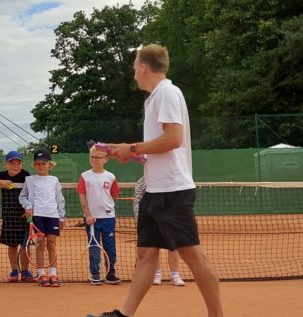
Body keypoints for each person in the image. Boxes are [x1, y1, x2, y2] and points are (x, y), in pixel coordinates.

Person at [90, 44, 222, 317]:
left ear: (143, 67)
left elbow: (174, 139)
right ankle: (125, 314)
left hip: (172, 190)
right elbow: (160, 147)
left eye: (134, 67)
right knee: (146, 255)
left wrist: (134, 148)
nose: (133, 73)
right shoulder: (154, 98)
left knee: (192, 256)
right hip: (154, 189)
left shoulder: (167, 93)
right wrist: (128, 152)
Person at [0, 150, 34, 283]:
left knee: (25, 245)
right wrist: (1, 182)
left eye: (18, 163)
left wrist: (29, 209)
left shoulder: (26, 175)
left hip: (24, 217)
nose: (15, 166)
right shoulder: (2, 175)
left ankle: (25, 271)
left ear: (22, 164)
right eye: (12, 163)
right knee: (12, 245)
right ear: (6, 164)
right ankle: (14, 270)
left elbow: (32, 193)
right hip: (8, 216)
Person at [19, 149, 65, 287]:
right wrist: (27, 206)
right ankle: (41, 274)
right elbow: (22, 196)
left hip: (52, 215)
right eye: (38, 164)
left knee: (51, 243)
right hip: (37, 215)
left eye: (44, 164)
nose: (41, 166)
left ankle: (53, 273)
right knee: (40, 243)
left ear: (49, 165)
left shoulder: (54, 180)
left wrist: (61, 217)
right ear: (34, 165)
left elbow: (60, 199)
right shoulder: (30, 180)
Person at [78, 145, 121, 285]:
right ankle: (95, 274)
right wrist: (88, 215)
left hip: (108, 218)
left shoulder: (111, 176)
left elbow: (113, 196)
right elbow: (82, 197)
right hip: (92, 220)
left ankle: (110, 274)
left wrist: (106, 210)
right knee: (94, 247)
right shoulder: (84, 176)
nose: (95, 160)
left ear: (106, 159)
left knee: (110, 247)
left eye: (98, 157)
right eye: (93, 157)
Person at [133, 177, 185, 287]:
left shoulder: (170, 181)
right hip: (150, 221)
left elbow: (177, 200)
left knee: (173, 247)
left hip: (169, 220)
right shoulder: (141, 183)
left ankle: (175, 275)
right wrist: (140, 219)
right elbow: (137, 202)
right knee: (153, 248)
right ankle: (156, 274)